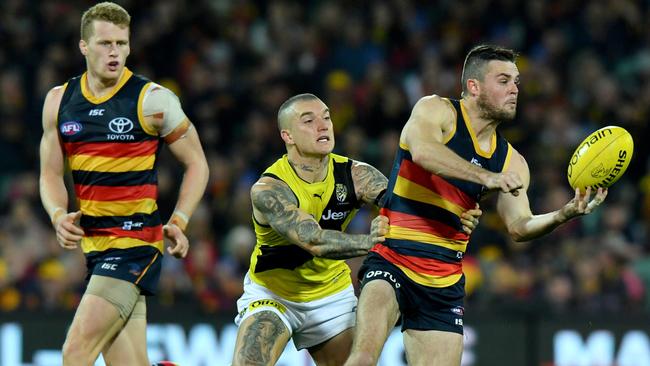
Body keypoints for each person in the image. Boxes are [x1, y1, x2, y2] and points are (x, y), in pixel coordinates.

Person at [344, 44, 608, 366]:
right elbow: (424, 152)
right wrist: (487, 178)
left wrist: (563, 214)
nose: (514, 89)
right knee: (363, 359)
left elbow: (519, 226)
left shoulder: (512, 161)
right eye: (503, 80)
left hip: (444, 281)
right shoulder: (436, 111)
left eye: (516, 82)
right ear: (474, 86)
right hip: (393, 259)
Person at [231, 93, 482, 365]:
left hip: (331, 296)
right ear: (287, 136)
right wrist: (372, 241)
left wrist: (456, 215)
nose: (323, 125)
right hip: (273, 294)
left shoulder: (356, 174)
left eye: (326, 117)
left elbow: (407, 207)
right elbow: (314, 241)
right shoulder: (270, 189)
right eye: (309, 120)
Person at [39, 2, 209, 365]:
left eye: (121, 43)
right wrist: (56, 214)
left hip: (134, 246)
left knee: (75, 351)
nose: (114, 52)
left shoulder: (153, 101)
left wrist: (179, 219)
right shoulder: (59, 101)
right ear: (84, 46)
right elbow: (50, 173)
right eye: (104, 43)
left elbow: (197, 164)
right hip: (96, 249)